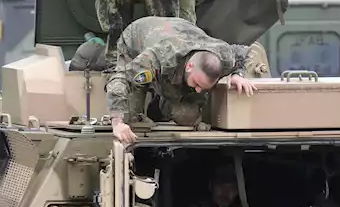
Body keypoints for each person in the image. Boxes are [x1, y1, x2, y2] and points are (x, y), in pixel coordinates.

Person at [104, 17, 259, 145]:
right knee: (133, 119)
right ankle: (159, 94)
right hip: (136, 38)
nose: (198, 90)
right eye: (197, 84)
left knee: (187, 115)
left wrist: (238, 75)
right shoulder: (159, 58)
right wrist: (117, 122)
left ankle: (163, 103)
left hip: (180, 30)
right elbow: (118, 80)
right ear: (190, 66)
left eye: (203, 87)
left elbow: (244, 52)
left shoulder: (223, 54)